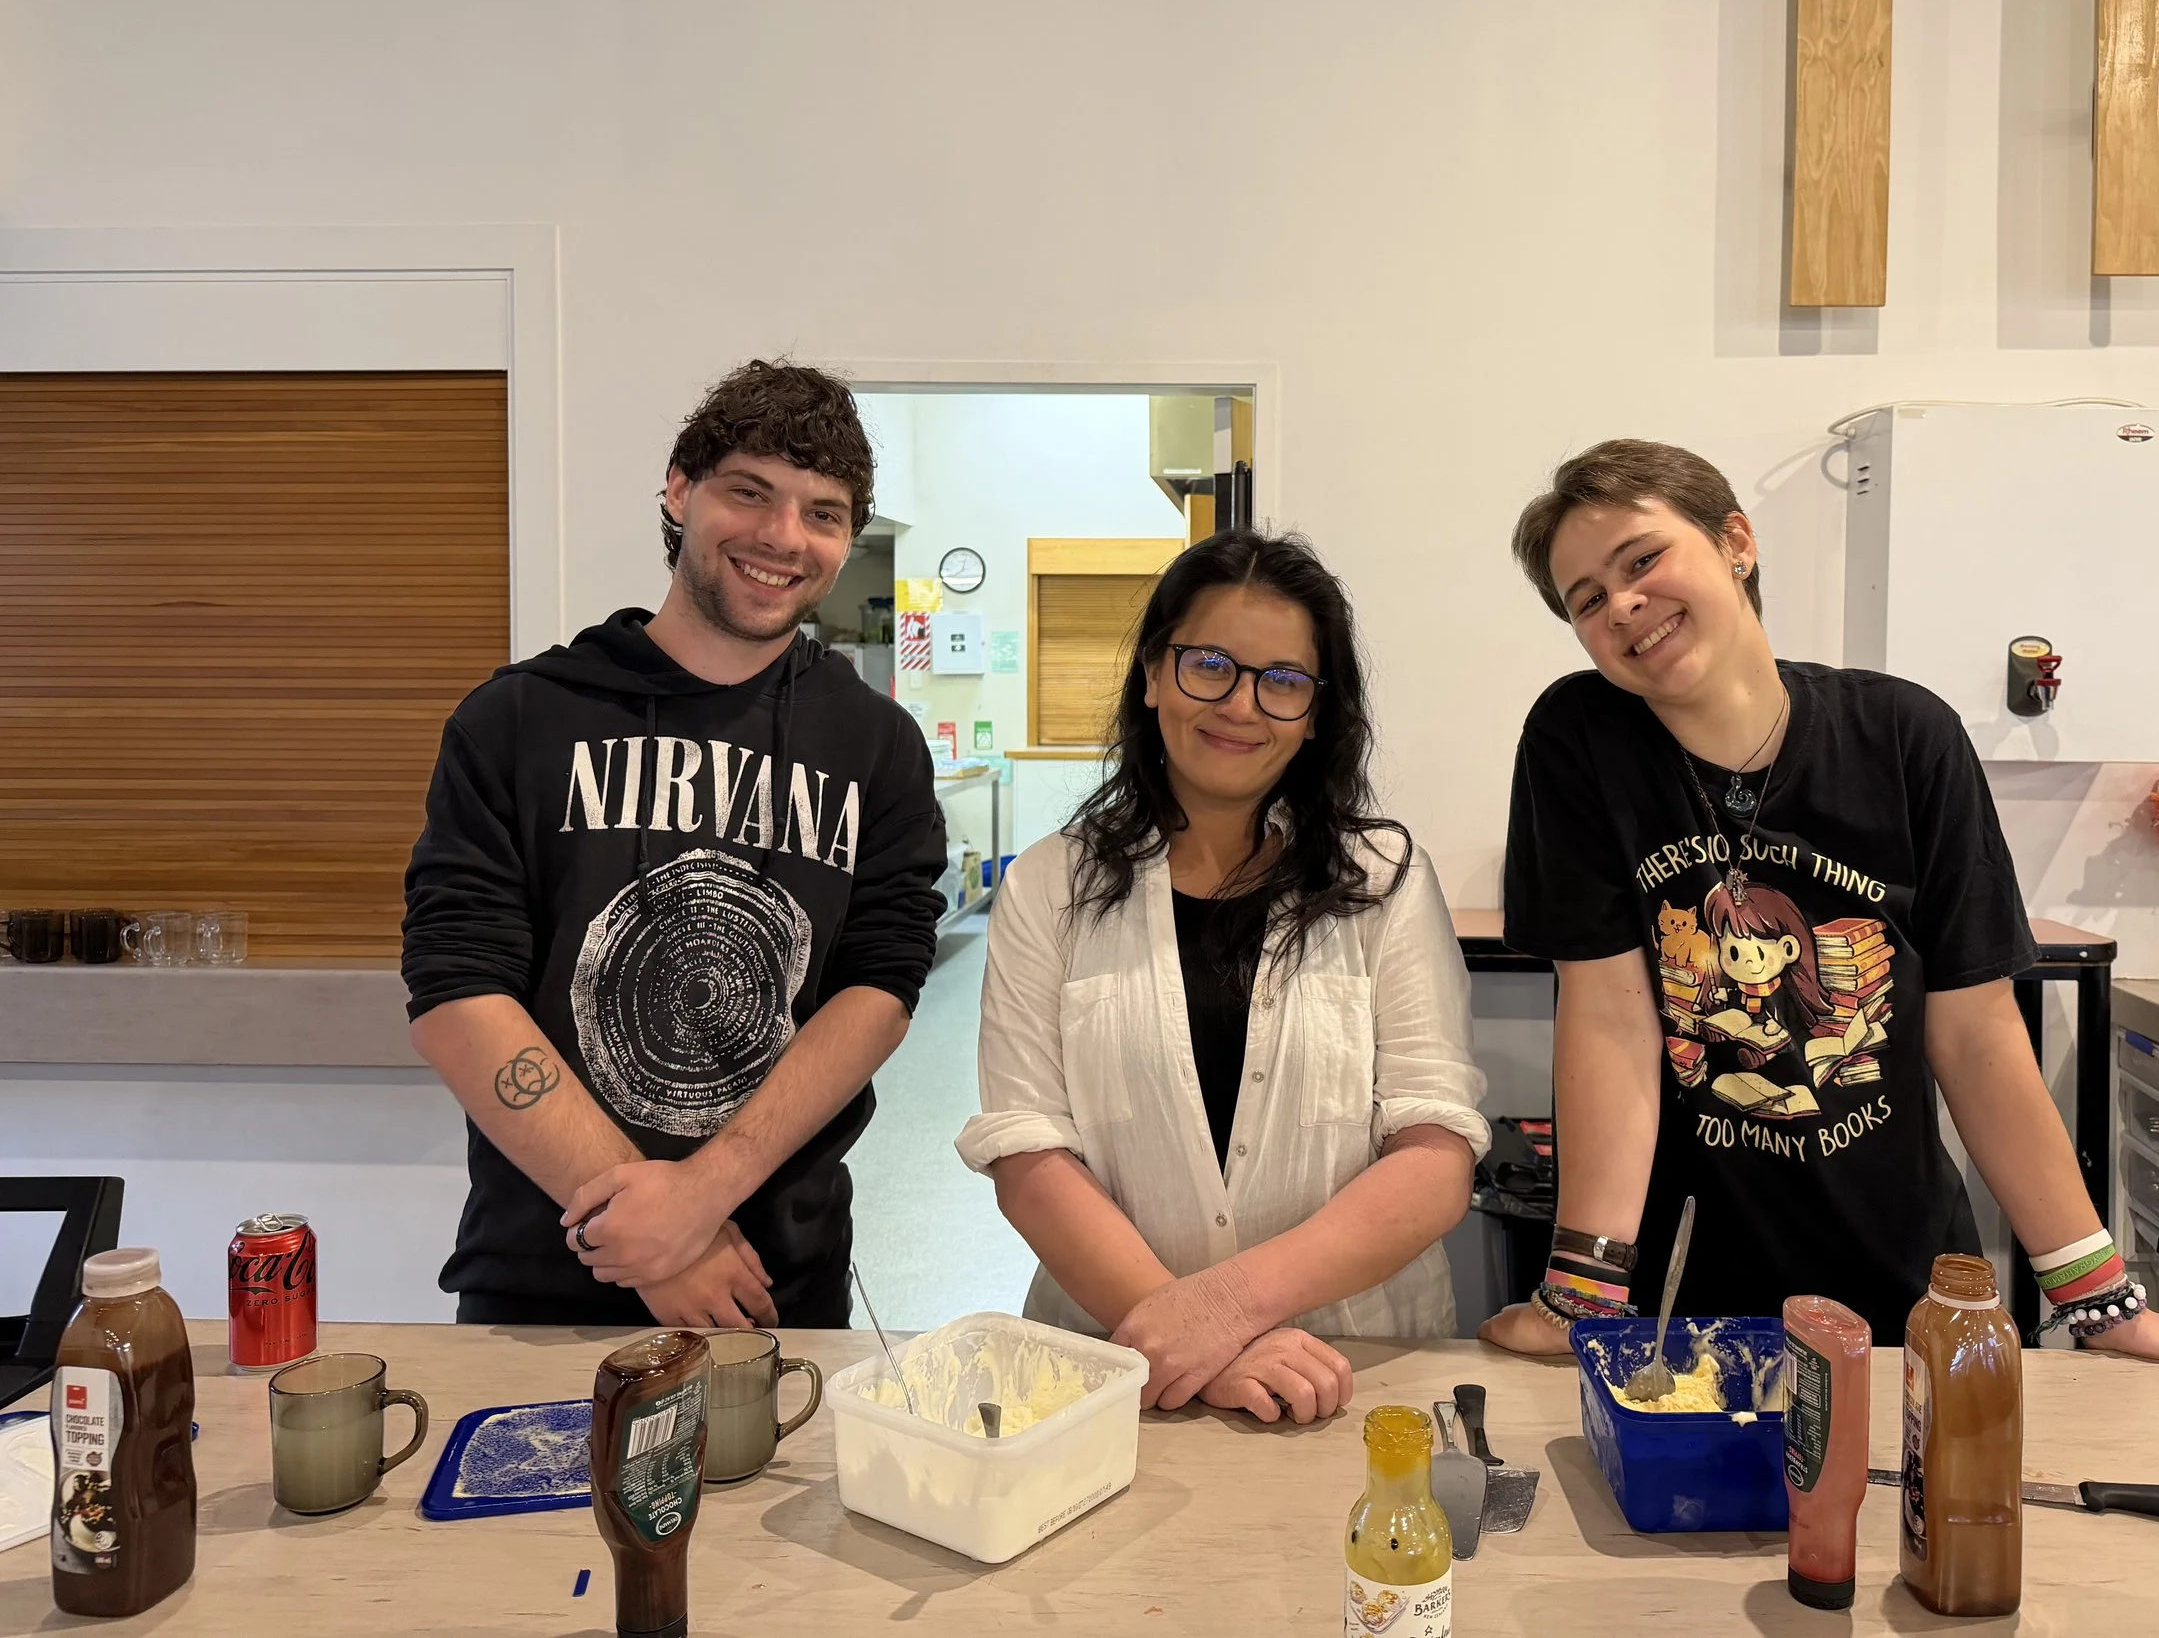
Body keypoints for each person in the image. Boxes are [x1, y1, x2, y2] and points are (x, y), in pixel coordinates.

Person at [1479, 439, 2159, 1361]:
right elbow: (1610, 1020)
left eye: (1641, 560)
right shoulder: (1579, 740)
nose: (1622, 605)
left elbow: (1976, 1036)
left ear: (1736, 542)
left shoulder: (1904, 736)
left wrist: (2101, 1301)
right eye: (1586, 599)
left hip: (1896, 1289)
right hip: (1675, 1300)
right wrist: (1581, 1297)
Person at [402, 359, 946, 1328]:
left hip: (771, 1281)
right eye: (750, 492)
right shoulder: (519, 719)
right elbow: (457, 992)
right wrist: (647, 1233)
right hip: (544, 1276)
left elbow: (881, 985)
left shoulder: (877, 745)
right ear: (680, 490)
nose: (784, 536)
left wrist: (699, 1197)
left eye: (822, 513)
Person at [959, 530, 1489, 1423]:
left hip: (1350, 1368)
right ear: (1153, 674)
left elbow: (1435, 1154)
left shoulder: (1385, 880)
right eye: (1209, 664)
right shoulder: (1048, 883)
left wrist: (1221, 1310)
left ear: (1316, 711)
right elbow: (1027, 1152)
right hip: (1116, 1370)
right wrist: (1196, 1336)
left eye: (1283, 679)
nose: (1241, 704)